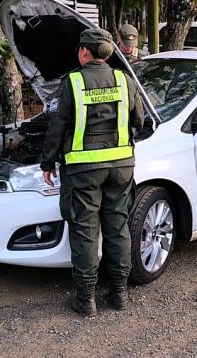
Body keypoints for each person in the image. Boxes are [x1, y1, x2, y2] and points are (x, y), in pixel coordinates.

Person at [41, 28, 145, 316]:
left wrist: (47, 162)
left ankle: (86, 298)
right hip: (122, 167)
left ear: (85, 52)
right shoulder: (124, 80)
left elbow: (57, 126)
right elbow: (140, 120)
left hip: (84, 171)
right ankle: (119, 293)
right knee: (117, 228)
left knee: (86, 232)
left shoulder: (73, 82)